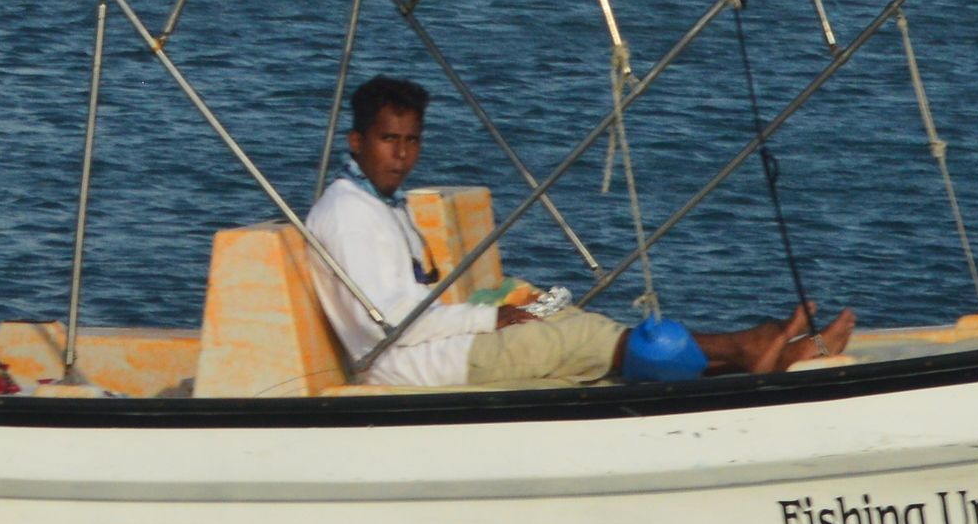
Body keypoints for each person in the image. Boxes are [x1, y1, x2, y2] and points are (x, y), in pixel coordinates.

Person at [304, 75, 852, 389]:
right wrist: (490, 317)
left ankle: (741, 359)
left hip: (448, 337)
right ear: (356, 141)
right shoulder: (350, 213)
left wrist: (503, 307)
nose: (401, 155)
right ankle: (747, 346)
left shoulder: (382, 204)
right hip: (411, 367)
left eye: (412, 141)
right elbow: (389, 326)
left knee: (562, 310)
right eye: (387, 140)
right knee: (576, 339)